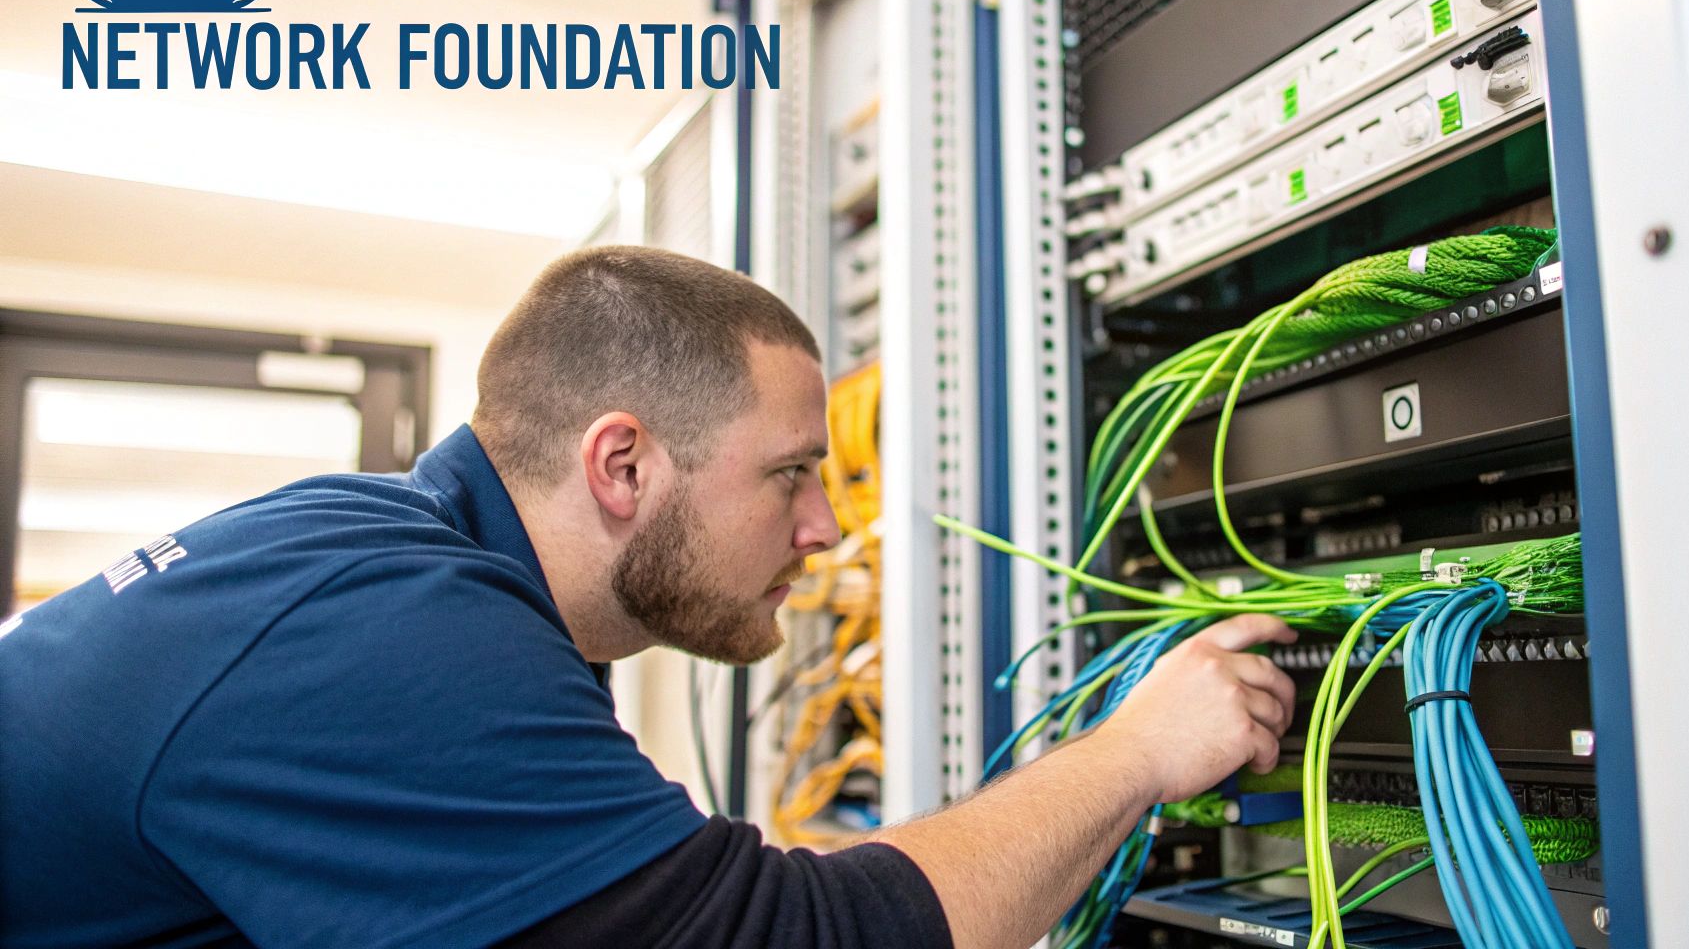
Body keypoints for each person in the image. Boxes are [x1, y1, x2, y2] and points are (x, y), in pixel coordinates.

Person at [0, 247, 1297, 949]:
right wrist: (1138, 749)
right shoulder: (398, 638)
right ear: (621, 464)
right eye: (790, 475)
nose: (827, 525)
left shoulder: (388, 553)